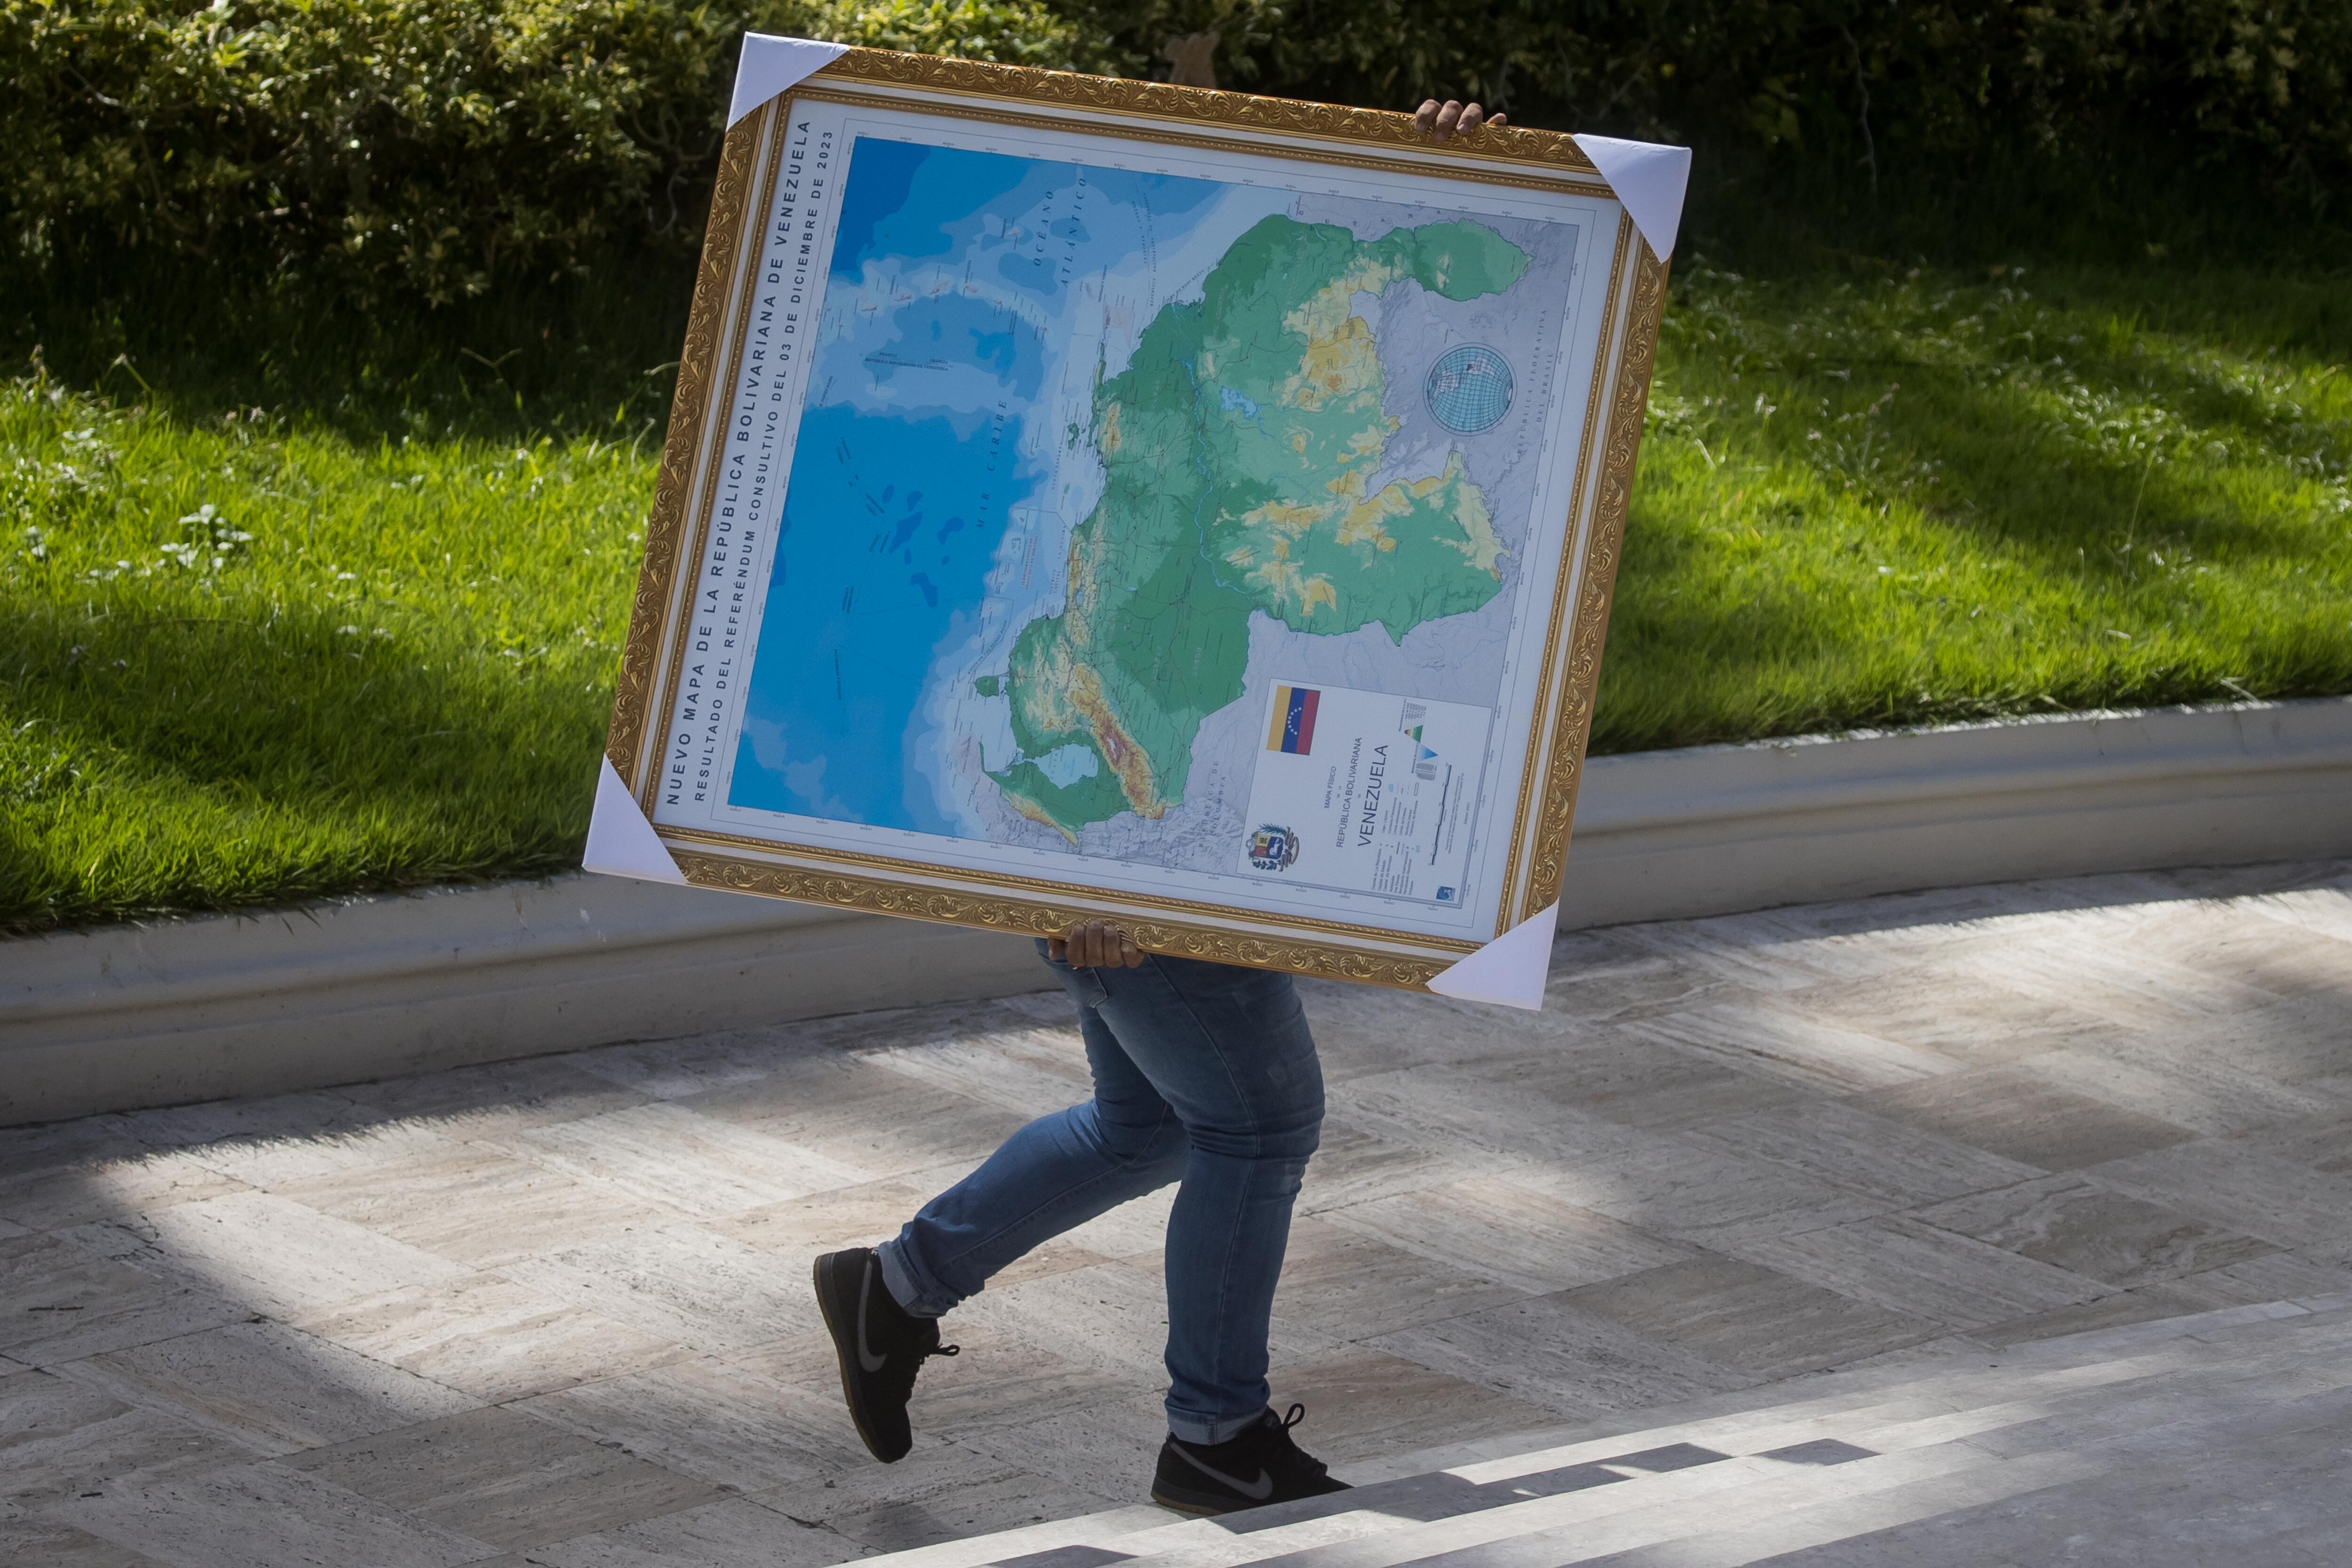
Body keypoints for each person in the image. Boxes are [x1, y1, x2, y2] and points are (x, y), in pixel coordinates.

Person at [813, 96, 1507, 1519]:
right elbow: (1056, 651)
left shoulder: (1236, 371)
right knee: (1256, 1122)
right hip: (1126, 839)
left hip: (1147, 823)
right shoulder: (1151, 459)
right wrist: (1067, 875)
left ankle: (892, 1289)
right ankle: (1214, 1435)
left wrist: (1460, 167)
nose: (1358, 402)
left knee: (1153, 1124)